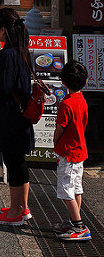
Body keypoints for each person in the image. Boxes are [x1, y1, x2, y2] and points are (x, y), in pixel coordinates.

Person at [0, 8, 34, 226]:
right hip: (19, 115)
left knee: (13, 163)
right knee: (19, 162)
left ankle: (14, 213)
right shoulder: (20, 49)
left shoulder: (8, 54)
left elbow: (1, 87)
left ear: (3, 29)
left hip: (9, 115)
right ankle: (22, 207)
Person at [52, 61, 91, 241]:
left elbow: (60, 128)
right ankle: (74, 220)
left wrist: (55, 140)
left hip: (68, 152)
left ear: (63, 82)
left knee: (66, 189)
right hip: (79, 151)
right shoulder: (82, 100)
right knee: (76, 188)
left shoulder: (66, 104)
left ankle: (78, 225)